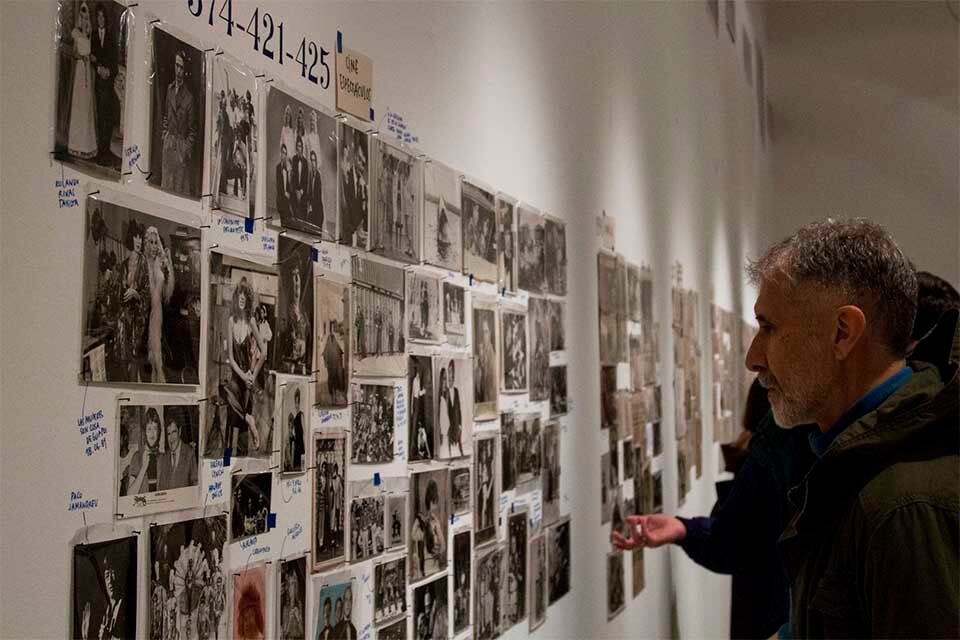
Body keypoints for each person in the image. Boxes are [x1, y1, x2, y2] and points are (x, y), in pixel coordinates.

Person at [744, 219, 957, 638]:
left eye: (768, 327)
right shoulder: (858, 465)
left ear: (843, 333)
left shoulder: (902, 506)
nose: (754, 358)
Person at [613, 377, 815, 639]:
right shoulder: (772, 457)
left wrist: (686, 529)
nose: (755, 358)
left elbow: (732, 541)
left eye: (769, 332)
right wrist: (683, 528)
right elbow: (734, 540)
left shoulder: (772, 458)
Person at [224, 277, 262, 455]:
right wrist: (242, 376)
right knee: (227, 395)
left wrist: (252, 376)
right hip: (236, 378)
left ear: (247, 299)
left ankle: (241, 468)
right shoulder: (231, 321)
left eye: (244, 295)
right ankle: (249, 419)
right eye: (239, 294)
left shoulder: (251, 322)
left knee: (243, 435)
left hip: (247, 381)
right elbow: (230, 358)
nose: (241, 298)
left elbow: (264, 352)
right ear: (236, 297)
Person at [160, 50, 197, 195]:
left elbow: (193, 130)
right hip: (168, 145)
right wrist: (164, 135)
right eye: (177, 66)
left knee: (178, 190)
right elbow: (165, 116)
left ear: (185, 70)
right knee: (166, 187)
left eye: (181, 67)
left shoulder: (189, 98)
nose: (178, 71)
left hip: (180, 148)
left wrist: (186, 150)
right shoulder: (169, 90)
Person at [67, 3, 98, 160]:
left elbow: (92, 52)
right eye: (82, 17)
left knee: (86, 106)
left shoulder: (90, 34)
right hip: (80, 69)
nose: (84, 20)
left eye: (86, 17)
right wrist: (82, 58)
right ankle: (75, 145)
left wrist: (89, 60)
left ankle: (87, 146)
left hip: (87, 70)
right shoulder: (76, 33)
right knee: (78, 104)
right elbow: (74, 53)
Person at [89, 4, 118, 165]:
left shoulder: (111, 36)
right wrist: (98, 67)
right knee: (100, 116)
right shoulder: (93, 36)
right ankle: (101, 151)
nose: (100, 19)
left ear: (106, 18)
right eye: (98, 16)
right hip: (98, 81)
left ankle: (106, 150)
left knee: (108, 115)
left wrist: (109, 71)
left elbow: (114, 59)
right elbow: (92, 57)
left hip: (109, 81)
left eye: (102, 16)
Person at [126, 407, 168, 495]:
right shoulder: (137, 457)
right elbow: (130, 494)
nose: (152, 433)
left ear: (158, 432)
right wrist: (143, 468)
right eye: (149, 429)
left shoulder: (163, 458)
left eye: (155, 428)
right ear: (144, 432)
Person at [162, 412, 197, 490]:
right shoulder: (164, 457)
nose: (171, 438)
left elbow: (195, 484)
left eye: (174, 432)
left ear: (180, 431)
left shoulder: (189, 453)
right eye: (168, 434)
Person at [290, 137, 309, 220]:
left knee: (302, 211)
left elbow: (305, 179)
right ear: (296, 148)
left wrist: (301, 191)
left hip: (302, 191)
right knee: (294, 209)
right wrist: (296, 190)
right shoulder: (294, 159)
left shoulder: (305, 162)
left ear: (302, 148)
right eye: (298, 146)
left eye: (300, 146)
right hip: (295, 190)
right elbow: (293, 177)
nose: (299, 148)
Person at [286, 388, 305, 471]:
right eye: (295, 402)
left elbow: (304, 432)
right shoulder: (295, 417)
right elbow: (293, 432)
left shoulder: (301, 415)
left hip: (301, 444)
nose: (296, 405)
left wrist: (305, 445)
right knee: (296, 465)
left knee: (301, 465)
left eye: (298, 402)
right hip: (296, 444)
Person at [307, 150, 324, 231]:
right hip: (312, 212)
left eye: (314, 160)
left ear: (316, 162)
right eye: (311, 160)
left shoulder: (318, 176)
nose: (312, 163)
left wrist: (311, 206)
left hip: (318, 213)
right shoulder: (310, 176)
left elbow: (317, 197)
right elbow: (310, 194)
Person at [275, 143, 291, 217]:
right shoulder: (278, 168)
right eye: (283, 153)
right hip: (281, 199)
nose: (284, 155)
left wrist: (289, 172)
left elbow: (290, 184)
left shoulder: (288, 168)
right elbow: (278, 185)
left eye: (285, 153)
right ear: (280, 154)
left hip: (288, 200)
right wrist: (285, 193)